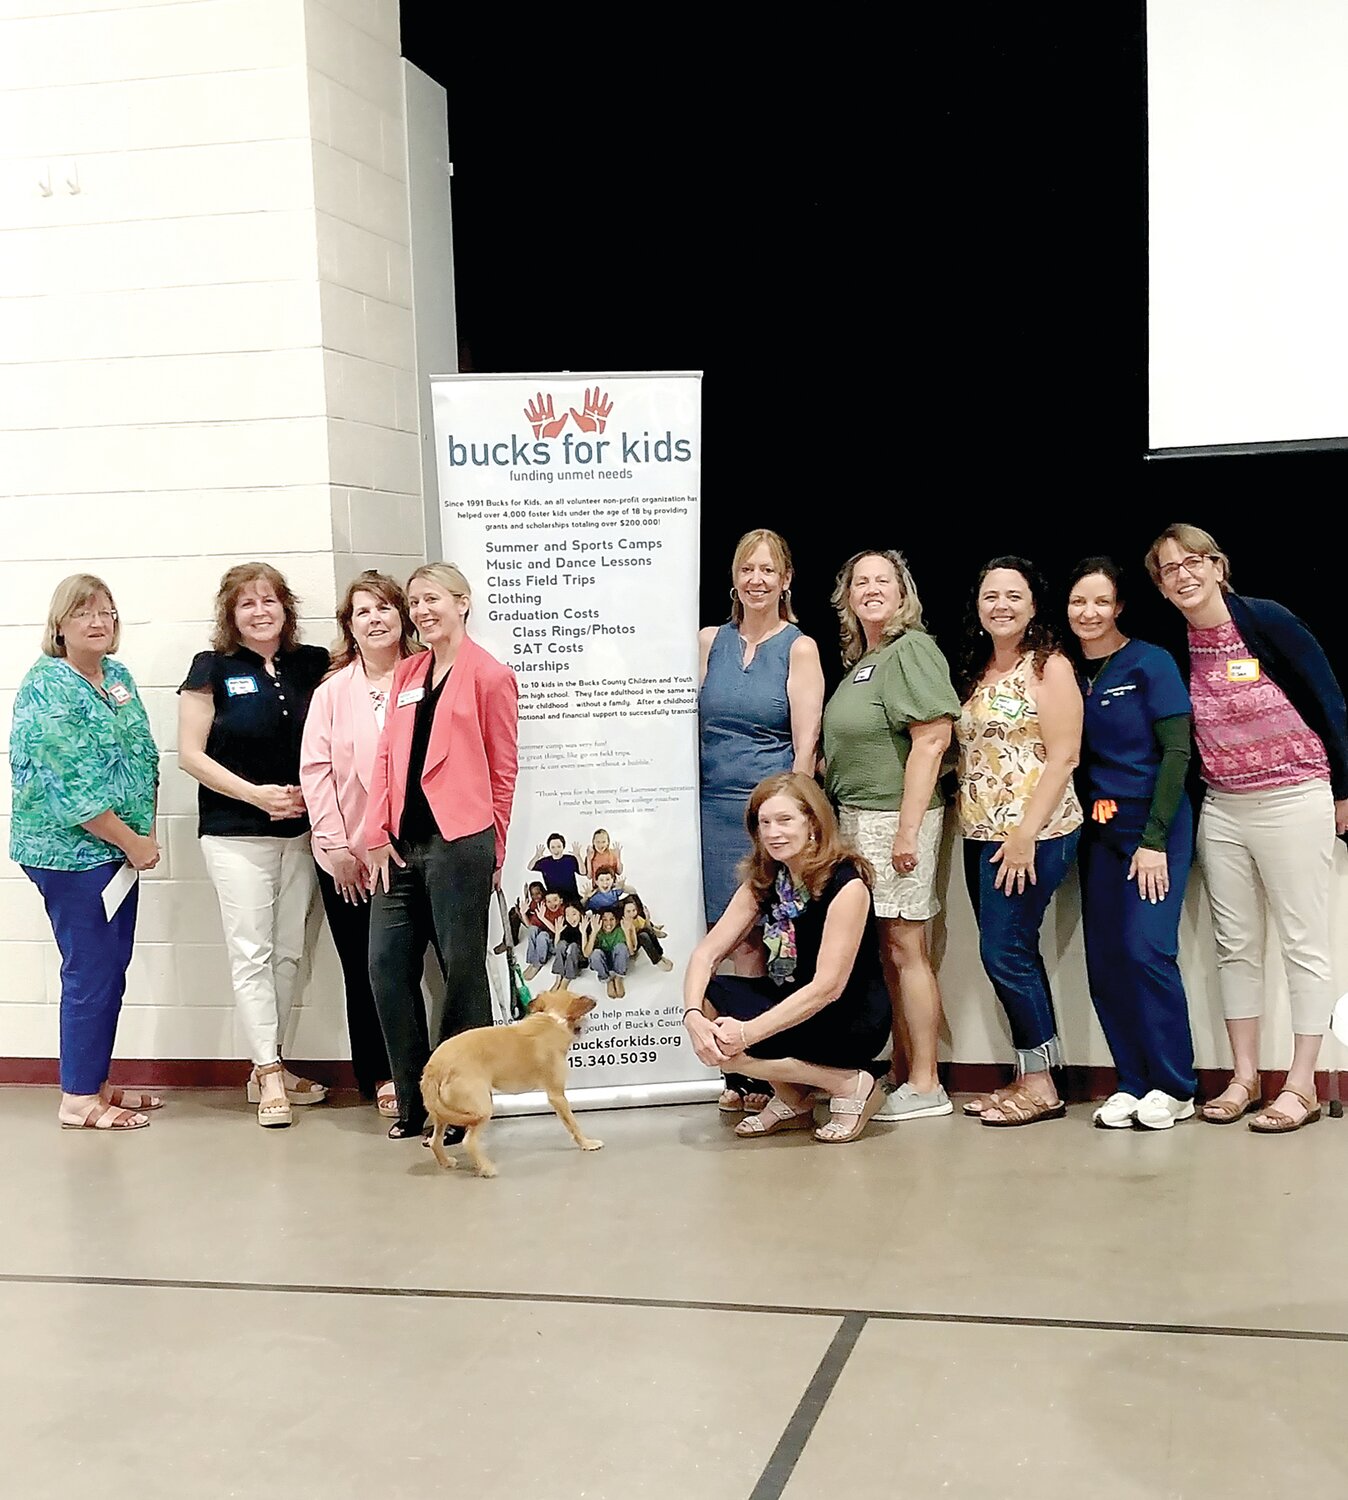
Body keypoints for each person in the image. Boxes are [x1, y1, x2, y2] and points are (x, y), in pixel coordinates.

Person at [1148, 523, 1348, 1134]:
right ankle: (1243, 1078)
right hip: (1224, 807)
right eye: (1168, 569)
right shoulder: (1172, 643)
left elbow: (1328, 696)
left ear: (1217, 566)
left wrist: (1344, 787)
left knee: (1303, 941)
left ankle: (1301, 1084)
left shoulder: (1265, 619)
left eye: (1193, 562)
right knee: (1235, 947)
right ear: (1159, 586)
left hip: (1295, 795)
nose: (1183, 575)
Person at [365, 563, 519, 1139]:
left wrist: (496, 848)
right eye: (414, 602)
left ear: (462, 602)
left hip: (462, 843)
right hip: (401, 846)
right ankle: (413, 1103)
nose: (422, 610)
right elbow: (386, 758)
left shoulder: (490, 676)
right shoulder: (407, 672)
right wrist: (376, 831)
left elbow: (504, 770)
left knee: (462, 975)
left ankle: (460, 1105)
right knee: (385, 967)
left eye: (432, 599)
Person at [179, 563, 330, 1128]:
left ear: (286, 609)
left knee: (289, 950)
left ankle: (269, 1064)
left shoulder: (312, 664)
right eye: (247, 604)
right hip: (235, 832)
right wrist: (258, 796)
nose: (261, 611)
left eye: (270, 600)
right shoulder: (211, 668)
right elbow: (191, 756)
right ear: (231, 614)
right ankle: (268, 1073)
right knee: (252, 952)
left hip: (303, 832)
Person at [10, 575, 162, 1131]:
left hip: (119, 853)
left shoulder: (114, 676)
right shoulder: (49, 685)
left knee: (110, 968)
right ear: (59, 625)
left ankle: (95, 1078)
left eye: (107, 612)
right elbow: (71, 788)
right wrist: (132, 841)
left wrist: (137, 839)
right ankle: (77, 1099)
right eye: (84, 613)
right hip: (72, 854)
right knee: (91, 971)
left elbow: (140, 753)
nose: (98, 622)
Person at [821, 549, 961, 1123]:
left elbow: (932, 739)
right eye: (861, 581)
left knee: (907, 949)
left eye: (884, 580)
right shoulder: (866, 659)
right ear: (847, 595)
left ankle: (927, 1083)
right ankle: (903, 1073)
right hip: (857, 820)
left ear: (903, 593)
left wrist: (906, 831)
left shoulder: (912, 649)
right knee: (887, 952)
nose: (871, 589)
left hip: (893, 822)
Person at [684, 772, 891, 1142]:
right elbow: (706, 954)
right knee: (709, 1009)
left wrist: (747, 1033)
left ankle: (850, 1083)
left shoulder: (847, 884)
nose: (773, 833)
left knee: (732, 1048)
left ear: (813, 822)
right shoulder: (766, 879)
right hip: (790, 1000)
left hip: (848, 1015)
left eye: (785, 820)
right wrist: (693, 1018)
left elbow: (828, 987)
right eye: (764, 823)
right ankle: (792, 1098)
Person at [1066, 558, 1198, 1131]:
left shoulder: (1150, 662)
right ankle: (1133, 1080)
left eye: (1100, 602)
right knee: (1106, 963)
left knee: (1147, 952)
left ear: (1119, 607)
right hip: (1100, 830)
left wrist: (1153, 840)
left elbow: (1177, 754)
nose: (1088, 613)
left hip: (1155, 828)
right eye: (1078, 602)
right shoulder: (1067, 671)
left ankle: (1176, 1086)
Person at [699, 528, 824, 1114]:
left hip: (766, 816)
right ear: (734, 577)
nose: (756, 579)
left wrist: (791, 819)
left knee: (762, 942)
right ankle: (738, 1071)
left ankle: (772, 1074)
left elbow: (805, 748)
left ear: (786, 580)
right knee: (726, 941)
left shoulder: (799, 647)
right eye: (747, 568)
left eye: (768, 570)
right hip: (707, 808)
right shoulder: (708, 641)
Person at [954, 556, 1083, 1127]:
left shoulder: (1049, 666)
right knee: (1012, 951)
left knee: (1002, 951)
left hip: (1032, 834)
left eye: (1013, 595)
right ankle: (1033, 1073)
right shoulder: (977, 667)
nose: (1001, 605)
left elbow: (1065, 755)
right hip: (979, 833)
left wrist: (1026, 834)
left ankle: (1040, 1084)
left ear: (1033, 605)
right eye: (990, 596)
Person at [299, 571, 422, 1118]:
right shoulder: (332, 692)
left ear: (402, 617)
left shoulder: (426, 676)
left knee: (418, 967)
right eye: (362, 612)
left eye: (384, 609)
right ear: (350, 627)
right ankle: (384, 1073)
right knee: (367, 969)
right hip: (350, 856)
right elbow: (316, 772)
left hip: (418, 850)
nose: (375, 619)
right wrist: (337, 849)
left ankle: (430, 1070)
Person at [620, 894, 674, 971]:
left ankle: (660, 955)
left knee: (648, 931)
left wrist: (647, 917)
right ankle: (657, 961)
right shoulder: (623, 924)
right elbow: (632, 946)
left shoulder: (636, 919)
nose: (632, 913)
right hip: (630, 948)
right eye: (628, 911)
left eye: (634, 910)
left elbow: (646, 927)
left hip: (635, 942)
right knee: (643, 936)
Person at [584, 909, 630, 998]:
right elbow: (587, 954)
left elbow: (630, 951)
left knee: (622, 947)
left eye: (612, 919)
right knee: (595, 953)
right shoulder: (597, 932)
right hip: (602, 962)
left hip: (616, 961)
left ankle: (618, 978)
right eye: (605, 920)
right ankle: (607, 980)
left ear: (616, 921)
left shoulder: (619, 931)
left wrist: (627, 931)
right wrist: (594, 932)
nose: (608, 923)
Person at [524, 891, 566, 980]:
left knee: (543, 935)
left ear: (561, 901)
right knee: (533, 929)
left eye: (555, 900)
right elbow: (530, 925)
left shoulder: (563, 911)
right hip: (544, 942)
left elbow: (557, 930)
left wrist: (542, 918)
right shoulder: (544, 909)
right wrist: (523, 913)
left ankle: (538, 963)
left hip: (555, 944)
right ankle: (532, 960)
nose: (552, 904)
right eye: (549, 901)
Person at [530, 834, 581, 903]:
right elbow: (530, 867)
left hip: (572, 898)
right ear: (549, 848)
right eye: (553, 847)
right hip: (554, 900)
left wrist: (578, 856)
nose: (556, 849)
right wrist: (537, 856)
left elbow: (583, 872)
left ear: (563, 846)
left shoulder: (570, 859)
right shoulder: (545, 862)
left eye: (559, 846)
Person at [550, 902, 586, 989]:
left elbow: (586, 953)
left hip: (579, 958)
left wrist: (584, 932)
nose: (571, 918)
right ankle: (558, 978)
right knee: (562, 944)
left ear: (580, 913)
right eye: (567, 915)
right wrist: (558, 933)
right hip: (567, 955)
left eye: (574, 914)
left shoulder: (585, 925)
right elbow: (557, 947)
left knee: (573, 946)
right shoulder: (566, 926)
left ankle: (566, 979)